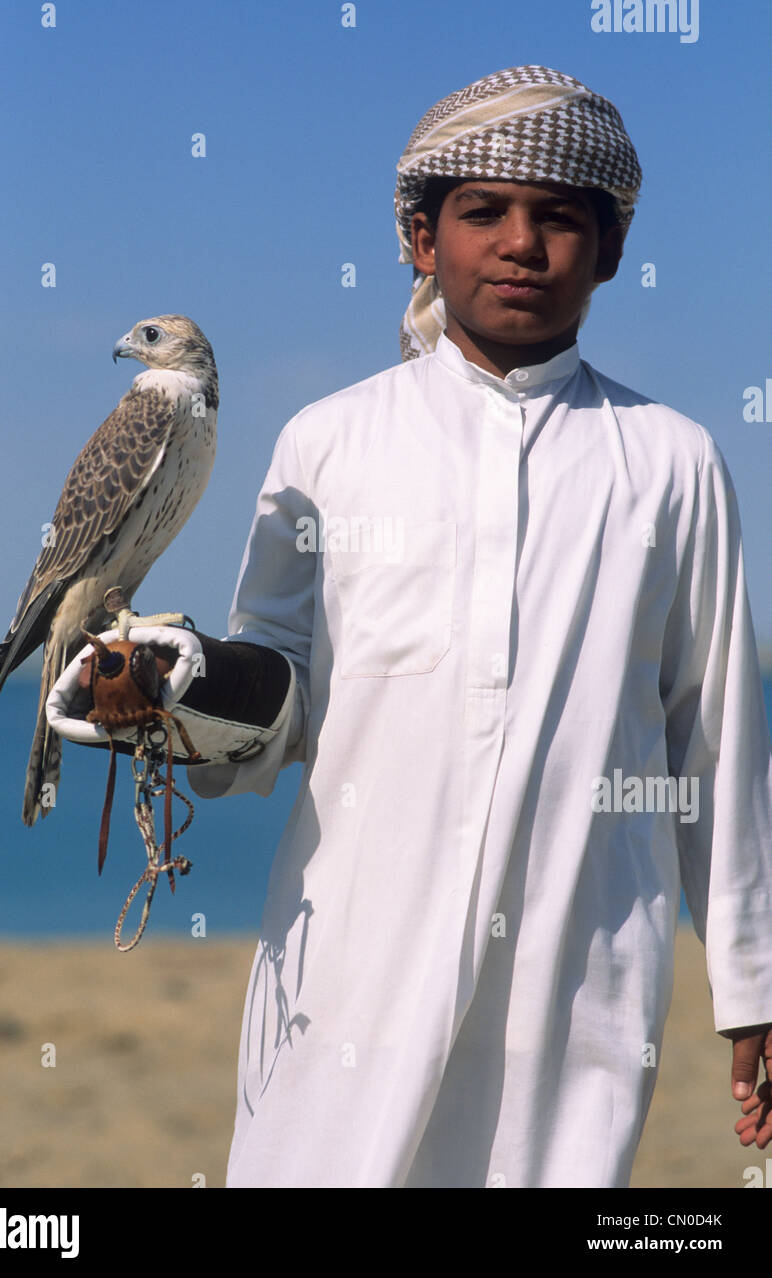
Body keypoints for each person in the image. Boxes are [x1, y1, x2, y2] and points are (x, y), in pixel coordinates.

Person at [63, 65, 772, 1186]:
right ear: (417, 236)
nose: (520, 245)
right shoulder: (330, 442)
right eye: (482, 211)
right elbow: (279, 694)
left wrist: (753, 981)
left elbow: (719, 739)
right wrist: (177, 684)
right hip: (346, 956)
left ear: (612, 248)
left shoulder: (672, 461)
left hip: (577, 972)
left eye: (559, 218)